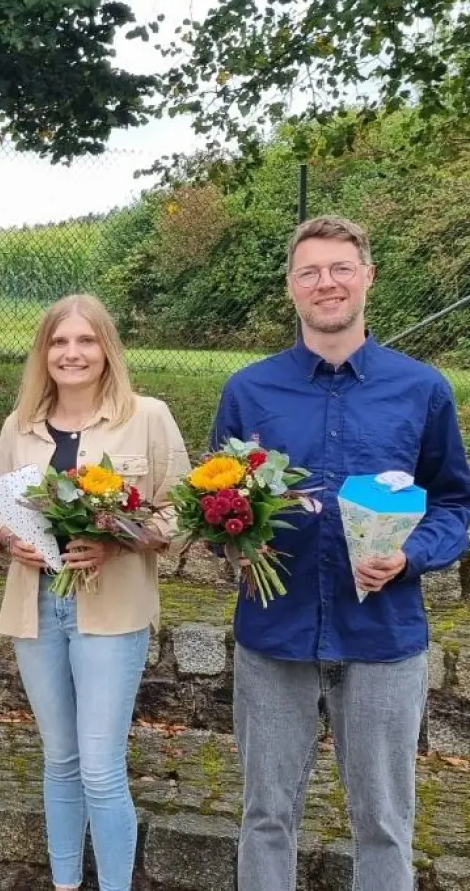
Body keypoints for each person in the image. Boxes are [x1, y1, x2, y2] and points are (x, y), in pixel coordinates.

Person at [212, 216, 470, 891]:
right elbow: (215, 500)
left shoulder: (422, 390)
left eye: (340, 269)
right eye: (310, 272)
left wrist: (410, 556)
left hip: (382, 637)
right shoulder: (248, 391)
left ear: (368, 278)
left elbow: (454, 503)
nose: (325, 283)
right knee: (265, 817)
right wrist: (233, 540)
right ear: (291, 287)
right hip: (275, 633)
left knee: (384, 822)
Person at [0, 294, 189, 891]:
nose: (71, 353)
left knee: (100, 769)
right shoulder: (19, 425)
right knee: (60, 761)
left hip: (112, 612)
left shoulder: (147, 416)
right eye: (58, 342)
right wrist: (9, 539)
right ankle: (66, 883)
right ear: (43, 352)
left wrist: (118, 540)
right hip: (38, 608)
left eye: (85, 340)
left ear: (107, 348)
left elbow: (182, 512)